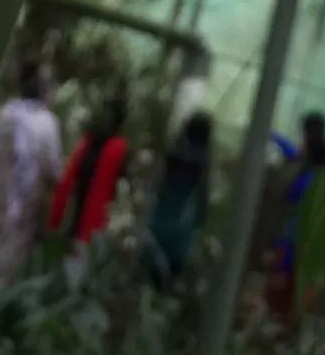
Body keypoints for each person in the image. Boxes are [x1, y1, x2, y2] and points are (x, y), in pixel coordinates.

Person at [0, 63, 64, 290]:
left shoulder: (7, 113)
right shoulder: (47, 122)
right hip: (19, 210)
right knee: (3, 270)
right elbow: (54, 170)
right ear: (45, 95)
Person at [263, 111, 325, 321]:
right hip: (308, 240)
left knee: (283, 290)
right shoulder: (322, 168)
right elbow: (294, 153)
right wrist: (274, 137)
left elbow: (290, 196)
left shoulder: (306, 179)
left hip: (294, 239)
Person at [49, 93, 130, 256]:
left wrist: (55, 221)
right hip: (89, 230)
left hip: (74, 226)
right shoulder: (116, 148)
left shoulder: (88, 143)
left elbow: (66, 183)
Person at [142, 109, 212, 287]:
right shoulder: (203, 165)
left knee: (147, 278)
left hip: (158, 225)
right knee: (166, 283)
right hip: (181, 234)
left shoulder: (173, 155)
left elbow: (155, 184)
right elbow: (202, 206)